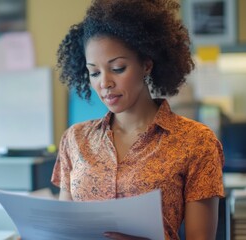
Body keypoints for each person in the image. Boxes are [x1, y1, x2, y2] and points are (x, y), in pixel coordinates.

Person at [51, 0, 225, 239]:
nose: (105, 83)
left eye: (118, 68)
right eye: (94, 72)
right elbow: (64, 229)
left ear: (146, 65)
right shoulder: (74, 139)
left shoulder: (196, 141)